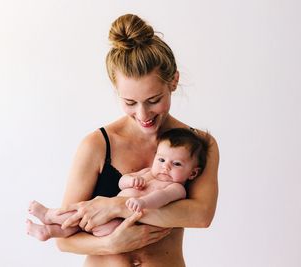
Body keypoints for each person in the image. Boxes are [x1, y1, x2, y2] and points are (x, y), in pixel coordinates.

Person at [31, 13, 219, 267]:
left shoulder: (197, 145)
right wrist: (109, 244)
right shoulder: (97, 145)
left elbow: (200, 216)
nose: (143, 115)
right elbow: (65, 239)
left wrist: (118, 207)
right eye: (130, 102)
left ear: (173, 81)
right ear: (116, 90)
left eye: (154, 100)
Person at [27, 128, 209, 240]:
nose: (165, 167)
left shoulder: (176, 188)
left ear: (192, 172)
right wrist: (130, 180)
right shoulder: (147, 173)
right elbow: (121, 182)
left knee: (79, 221)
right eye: (161, 159)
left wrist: (142, 203)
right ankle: (48, 230)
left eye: (176, 164)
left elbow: (161, 198)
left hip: (118, 224)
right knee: (76, 221)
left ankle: (50, 217)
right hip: (103, 216)